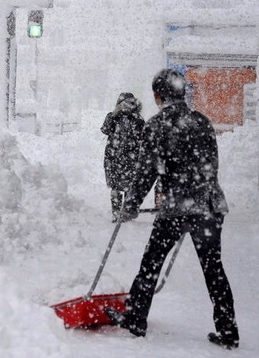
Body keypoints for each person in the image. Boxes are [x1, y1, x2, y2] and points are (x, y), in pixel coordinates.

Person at [106, 69, 239, 350]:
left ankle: (136, 318)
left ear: (157, 96)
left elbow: (145, 173)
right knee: (213, 267)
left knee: (151, 262)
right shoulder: (201, 121)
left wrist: (129, 205)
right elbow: (210, 165)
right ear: (182, 94)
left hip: (178, 206)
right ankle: (228, 330)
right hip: (209, 204)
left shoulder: (157, 125)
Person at [101, 92, 145, 222]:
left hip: (130, 158)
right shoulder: (112, 117)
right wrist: (115, 114)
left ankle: (125, 213)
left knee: (129, 186)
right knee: (115, 187)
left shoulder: (137, 119)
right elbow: (105, 129)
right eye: (124, 104)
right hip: (113, 157)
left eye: (130, 103)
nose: (127, 106)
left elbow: (142, 137)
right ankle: (116, 213)